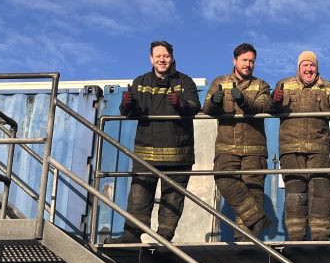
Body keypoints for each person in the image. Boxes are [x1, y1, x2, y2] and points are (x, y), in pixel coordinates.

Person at [108, 40, 199, 243]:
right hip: (146, 151)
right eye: (158, 56)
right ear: (151, 59)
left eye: (165, 56)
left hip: (178, 153)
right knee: (139, 194)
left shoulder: (185, 82)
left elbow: (194, 107)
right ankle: (132, 234)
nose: (162, 60)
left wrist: (180, 104)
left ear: (172, 58)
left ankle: (164, 237)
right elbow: (130, 113)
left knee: (173, 196)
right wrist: (127, 105)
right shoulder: (140, 82)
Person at [203, 43, 273, 238]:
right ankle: (258, 219)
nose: (248, 64)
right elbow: (207, 108)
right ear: (235, 61)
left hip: (254, 149)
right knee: (224, 178)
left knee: (253, 191)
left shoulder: (261, 85)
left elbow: (264, 106)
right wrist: (215, 103)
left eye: (251, 61)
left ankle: (246, 243)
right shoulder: (220, 82)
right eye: (244, 60)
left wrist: (243, 100)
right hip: (227, 147)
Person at [271, 51, 330, 241]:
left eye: (312, 65)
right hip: (291, 150)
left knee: (321, 194)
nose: (309, 69)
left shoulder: (328, 87)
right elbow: (271, 108)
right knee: (295, 195)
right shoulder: (283, 85)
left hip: (319, 149)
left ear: (317, 67)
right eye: (305, 65)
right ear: (299, 67)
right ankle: (296, 240)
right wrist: (274, 102)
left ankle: (320, 241)